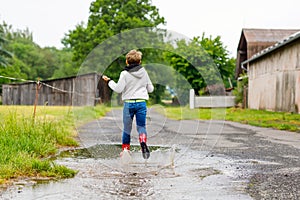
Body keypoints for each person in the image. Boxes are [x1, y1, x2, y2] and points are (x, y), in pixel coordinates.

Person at [102, 49, 154, 159]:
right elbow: (151, 89)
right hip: (141, 103)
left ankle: (125, 151)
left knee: (127, 129)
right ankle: (143, 142)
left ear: (127, 61)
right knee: (141, 127)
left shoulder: (124, 73)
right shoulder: (144, 72)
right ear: (140, 62)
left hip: (129, 104)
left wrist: (109, 81)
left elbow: (118, 89)